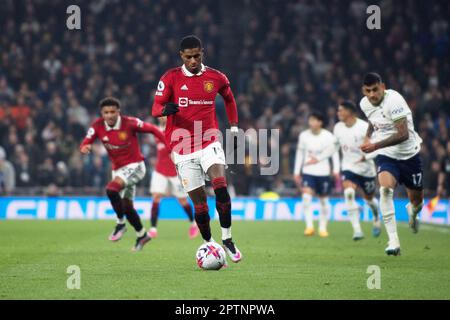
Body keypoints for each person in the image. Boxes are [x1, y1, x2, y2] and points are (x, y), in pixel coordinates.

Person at [151, 35, 242, 262]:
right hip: (182, 147)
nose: (193, 60)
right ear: (181, 56)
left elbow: (229, 99)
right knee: (199, 203)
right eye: (188, 57)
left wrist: (233, 127)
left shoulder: (216, 77)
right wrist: (164, 110)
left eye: (197, 56)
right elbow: (155, 107)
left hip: (209, 140)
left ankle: (228, 239)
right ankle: (209, 244)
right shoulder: (170, 78)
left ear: (203, 53)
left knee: (220, 186)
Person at [80, 97, 168, 252]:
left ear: (118, 112)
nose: (109, 115)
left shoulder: (130, 123)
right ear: (102, 113)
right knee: (127, 206)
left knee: (111, 190)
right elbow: (86, 140)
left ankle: (120, 224)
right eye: (106, 112)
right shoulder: (97, 126)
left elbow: (153, 129)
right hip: (118, 170)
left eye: (112, 112)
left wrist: (170, 147)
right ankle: (142, 235)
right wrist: (85, 146)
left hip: (136, 166)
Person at [360, 72, 424, 256]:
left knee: (417, 202)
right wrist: (367, 136)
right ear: (363, 91)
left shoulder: (394, 100)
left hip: (409, 155)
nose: (372, 95)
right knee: (385, 190)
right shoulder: (364, 103)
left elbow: (403, 134)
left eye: (375, 90)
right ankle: (393, 241)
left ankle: (413, 211)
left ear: (383, 87)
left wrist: (374, 145)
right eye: (367, 91)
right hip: (387, 156)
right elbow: (374, 121)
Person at [333, 101, 381, 240]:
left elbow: (377, 147)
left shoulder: (364, 127)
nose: (338, 113)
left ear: (349, 112)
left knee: (369, 200)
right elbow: (335, 148)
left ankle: (376, 217)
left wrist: (365, 157)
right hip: (349, 167)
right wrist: (336, 169)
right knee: (348, 192)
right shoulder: (338, 128)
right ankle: (357, 230)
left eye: (341, 110)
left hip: (366, 170)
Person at [149, 116, 199, 239]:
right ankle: (153, 229)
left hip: (175, 172)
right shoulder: (156, 130)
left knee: (182, 200)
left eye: (164, 115)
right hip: (160, 170)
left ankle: (193, 223)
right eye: (160, 116)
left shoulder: (177, 131)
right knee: (156, 197)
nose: (162, 118)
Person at [294, 112, 339, 237]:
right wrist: (296, 172)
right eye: (310, 120)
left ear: (320, 122)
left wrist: (336, 170)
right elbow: (300, 154)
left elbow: (334, 153)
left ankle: (323, 228)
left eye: (314, 120)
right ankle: (309, 227)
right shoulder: (304, 136)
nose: (312, 123)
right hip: (308, 171)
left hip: (323, 172)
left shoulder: (329, 136)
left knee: (324, 201)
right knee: (306, 198)